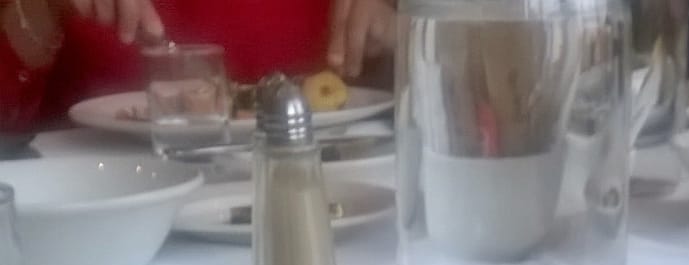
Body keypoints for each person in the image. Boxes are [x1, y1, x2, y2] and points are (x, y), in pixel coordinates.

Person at [0, 0, 396, 131]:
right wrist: (37, 10)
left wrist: (398, 35)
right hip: (99, 223)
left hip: (322, 209)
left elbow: (418, 122)